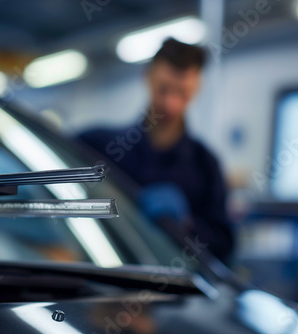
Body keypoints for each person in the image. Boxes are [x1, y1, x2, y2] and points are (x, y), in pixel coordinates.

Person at [78, 38, 234, 263]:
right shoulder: (98, 146)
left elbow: (225, 247)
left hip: (177, 288)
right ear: (147, 76)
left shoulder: (206, 166)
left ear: (196, 88)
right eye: (164, 89)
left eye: (182, 93)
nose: (171, 103)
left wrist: (188, 223)